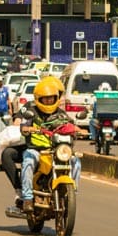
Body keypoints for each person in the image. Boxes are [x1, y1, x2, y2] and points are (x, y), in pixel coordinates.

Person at [15, 76, 81, 213]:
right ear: (39, 99)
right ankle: (27, 197)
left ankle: (72, 194)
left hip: (57, 150)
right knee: (27, 161)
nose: (49, 101)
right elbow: (23, 125)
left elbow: (71, 126)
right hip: (36, 150)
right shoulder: (31, 112)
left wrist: (80, 130)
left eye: (51, 98)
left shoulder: (61, 114)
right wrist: (27, 129)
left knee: (76, 162)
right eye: (46, 98)